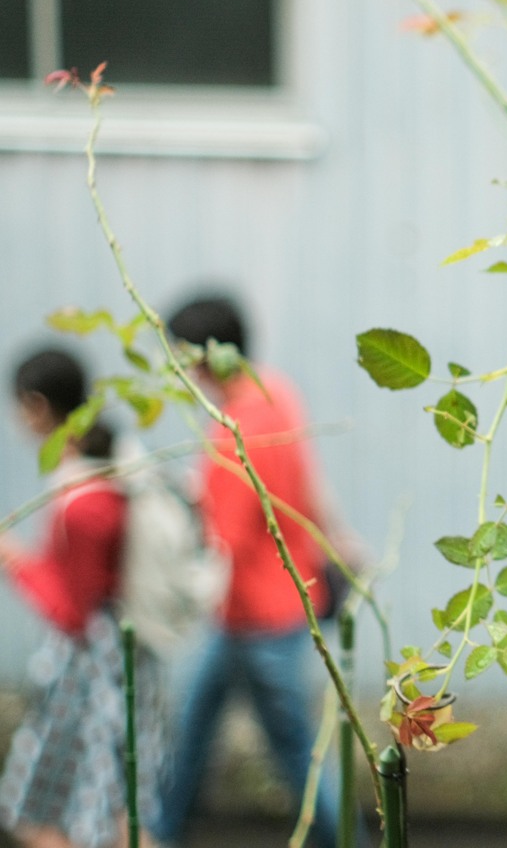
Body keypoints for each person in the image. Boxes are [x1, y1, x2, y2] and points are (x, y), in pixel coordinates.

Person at [153, 294, 367, 848]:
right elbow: (305, 480)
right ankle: (160, 832)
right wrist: (339, 536)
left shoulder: (230, 433)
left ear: (203, 359)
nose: (179, 372)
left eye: (181, 358)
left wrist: (172, 604)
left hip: (256, 617)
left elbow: (225, 545)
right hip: (282, 604)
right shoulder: (276, 391)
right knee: (196, 726)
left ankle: (349, 842)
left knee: (294, 748)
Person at [0, 347, 166, 848]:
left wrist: (13, 560)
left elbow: (71, 610)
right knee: (113, 810)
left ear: (35, 406)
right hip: (120, 661)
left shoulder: (83, 501)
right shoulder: (112, 466)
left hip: (89, 671)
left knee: (58, 814)